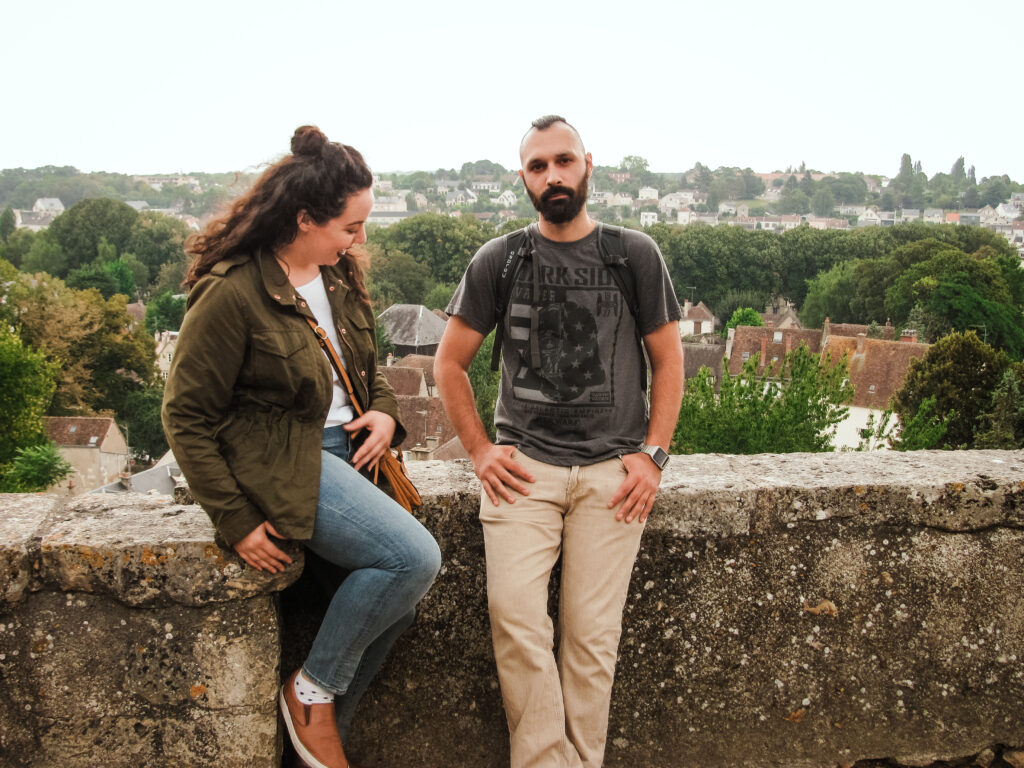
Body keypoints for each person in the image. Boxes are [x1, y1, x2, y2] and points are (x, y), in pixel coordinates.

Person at [162, 126, 441, 768]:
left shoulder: (338, 276)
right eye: (350, 226)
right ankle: (308, 692)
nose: (360, 241)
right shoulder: (233, 291)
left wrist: (386, 415)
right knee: (413, 561)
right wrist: (233, 519)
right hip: (287, 462)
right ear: (304, 218)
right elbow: (186, 415)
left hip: (351, 457)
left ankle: (309, 744)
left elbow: (368, 366)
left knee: (394, 607)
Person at [434, 115, 684, 768]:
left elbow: (670, 361)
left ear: (588, 165)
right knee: (516, 624)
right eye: (539, 166)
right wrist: (481, 450)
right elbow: (448, 361)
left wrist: (654, 455)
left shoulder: (633, 255)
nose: (554, 176)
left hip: (612, 475)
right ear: (524, 178)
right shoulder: (501, 258)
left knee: (591, 643)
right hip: (524, 471)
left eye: (564, 161)